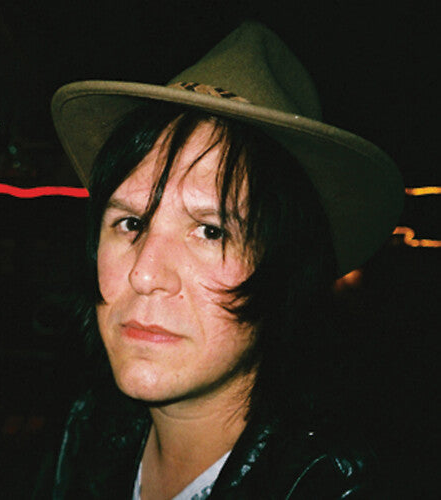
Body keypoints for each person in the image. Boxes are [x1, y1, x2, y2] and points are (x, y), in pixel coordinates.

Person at [46, 21, 403, 498]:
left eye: (210, 231)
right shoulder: (84, 434)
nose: (144, 273)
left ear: (286, 271)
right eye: (130, 222)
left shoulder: (327, 486)